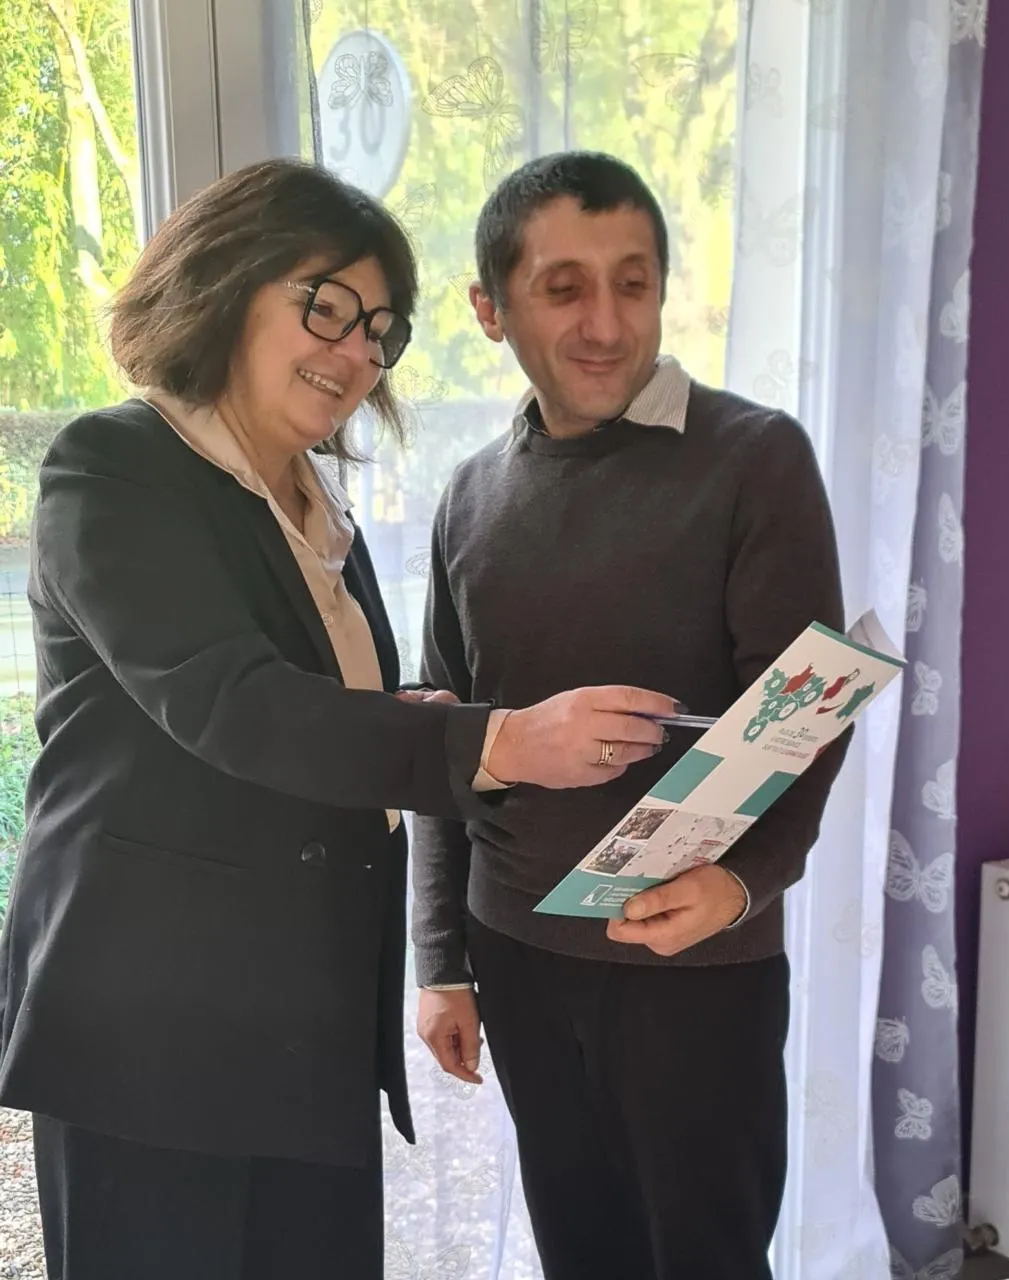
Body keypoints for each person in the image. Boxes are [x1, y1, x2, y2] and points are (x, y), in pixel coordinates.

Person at [0, 158, 678, 1280]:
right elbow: (232, 703)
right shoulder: (115, 466)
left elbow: (318, 713)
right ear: (223, 282)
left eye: (380, 328)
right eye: (326, 305)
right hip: (150, 1030)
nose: (358, 350)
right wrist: (502, 740)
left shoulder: (316, 504)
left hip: (303, 1019)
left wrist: (401, 715)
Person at [412, 151, 850, 1280]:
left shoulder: (755, 458)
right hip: (516, 951)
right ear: (490, 309)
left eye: (634, 283)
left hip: (696, 962)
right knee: (580, 1253)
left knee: (708, 1258)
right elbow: (443, 744)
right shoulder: (469, 493)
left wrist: (743, 883)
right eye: (563, 289)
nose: (606, 323)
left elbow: (805, 715)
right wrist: (440, 958)